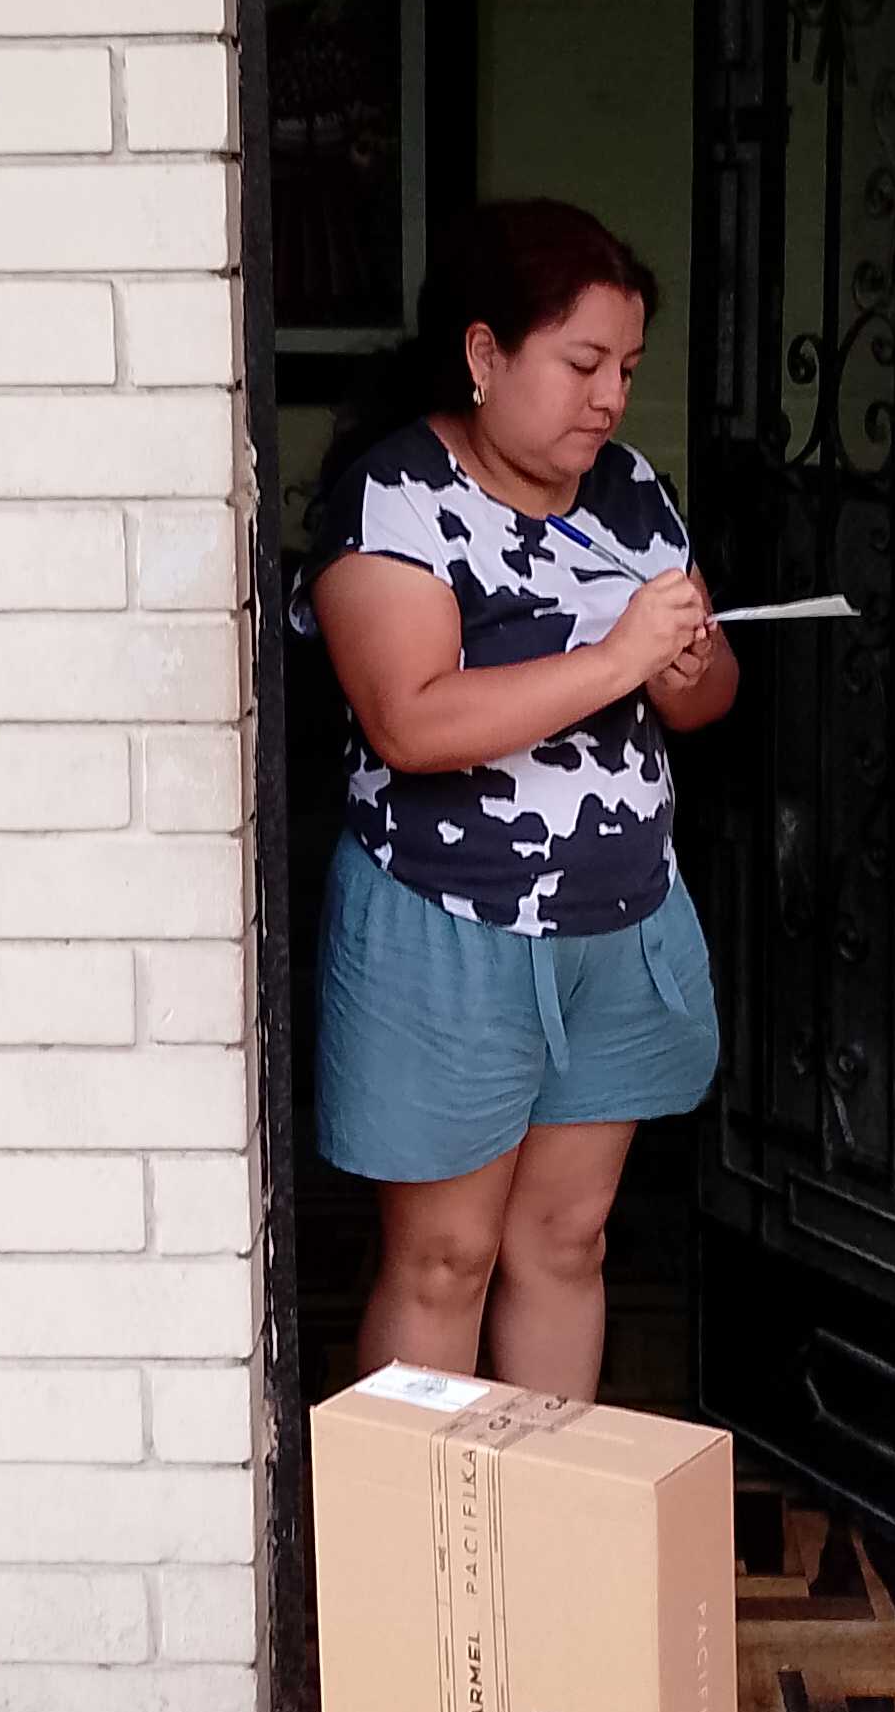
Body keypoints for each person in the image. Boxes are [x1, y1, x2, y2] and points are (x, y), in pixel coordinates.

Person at [300, 197, 740, 1395]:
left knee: (567, 1241)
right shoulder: (394, 499)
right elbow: (411, 721)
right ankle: (426, 1522)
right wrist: (619, 658)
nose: (609, 399)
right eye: (582, 364)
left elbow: (705, 702)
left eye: (627, 370)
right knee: (446, 1257)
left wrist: (689, 667)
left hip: (619, 919)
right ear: (486, 354)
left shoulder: (630, 491)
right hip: (447, 923)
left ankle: (536, 1507)